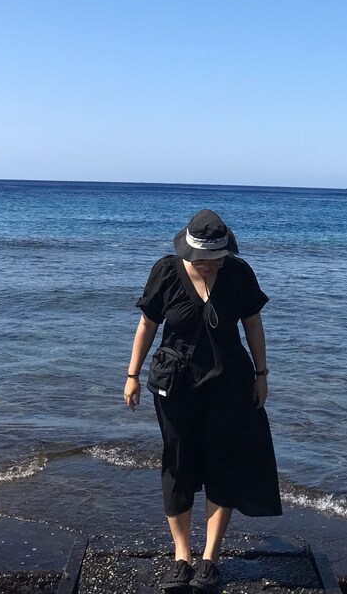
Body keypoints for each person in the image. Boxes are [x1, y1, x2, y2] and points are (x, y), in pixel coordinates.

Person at [124, 209, 282, 593]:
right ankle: (182, 556)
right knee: (177, 464)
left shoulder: (239, 274)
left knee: (221, 464)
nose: (208, 265)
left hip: (229, 384)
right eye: (201, 259)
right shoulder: (165, 272)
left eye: (216, 258)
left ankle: (210, 558)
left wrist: (262, 375)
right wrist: (131, 375)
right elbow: (147, 324)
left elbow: (253, 325)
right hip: (175, 384)